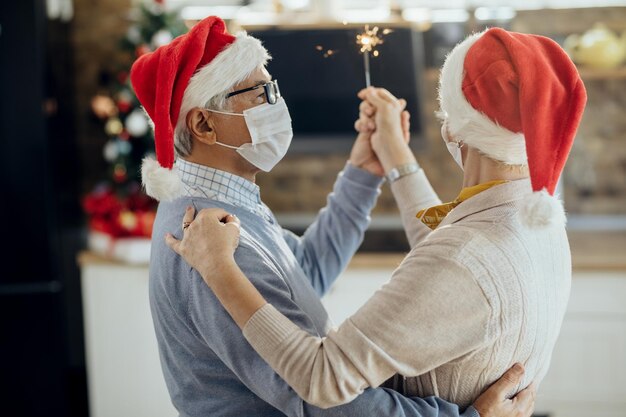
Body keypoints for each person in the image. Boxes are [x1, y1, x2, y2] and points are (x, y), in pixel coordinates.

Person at [130, 16, 536, 417]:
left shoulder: (231, 204)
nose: (277, 103)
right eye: (260, 93)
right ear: (204, 124)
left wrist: (363, 173)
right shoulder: (211, 239)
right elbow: (323, 401)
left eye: (274, 88)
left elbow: (305, 273)